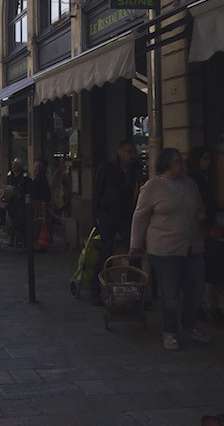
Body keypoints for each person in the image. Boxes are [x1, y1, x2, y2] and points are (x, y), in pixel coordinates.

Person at [130, 147, 209, 351]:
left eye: (181, 161)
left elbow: (199, 205)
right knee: (170, 293)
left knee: (196, 288)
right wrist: (135, 245)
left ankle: (189, 323)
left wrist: (201, 214)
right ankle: (170, 332)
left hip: (192, 244)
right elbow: (140, 217)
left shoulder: (189, 184)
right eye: (177, 162)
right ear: (166, 164)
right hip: (165, 247)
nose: (181, 165)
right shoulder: (152, 187)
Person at [91, 140, 140, 305]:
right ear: (119, 151)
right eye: (128, 151)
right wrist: (97, 215)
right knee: (106, 251)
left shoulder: (136, 169)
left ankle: (136, 290)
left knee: (134, 250)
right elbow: (97, 192)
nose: (131, 155)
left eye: (133, 151)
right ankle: (97, 290)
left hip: (126, 214)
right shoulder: (107, 169)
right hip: (108, 213)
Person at [187, 147, 224, 324]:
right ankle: (206, 305)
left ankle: (208, 305)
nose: (208, 162)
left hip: (208, 224)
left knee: (210, 267)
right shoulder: (195, 180)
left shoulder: (205, 177)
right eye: (205, 159)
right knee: (206, 267)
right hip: (201, 227)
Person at [6, 157, 32, 245]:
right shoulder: (10, 175)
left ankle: (16, 237)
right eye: (13, 165)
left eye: (15, 165)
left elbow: (27, 187)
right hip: (12, 202)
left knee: (19, 218)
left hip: (21, 202)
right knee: (13, 217)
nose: (13, 167)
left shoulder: (25, 175)